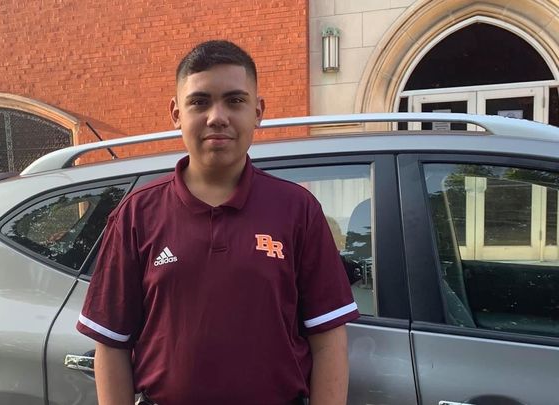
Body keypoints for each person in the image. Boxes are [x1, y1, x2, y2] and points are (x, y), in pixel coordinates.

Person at [77, 40, 359, 405]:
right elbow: (112, 345)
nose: (217, 117)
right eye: (199, 102)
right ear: (176, 113)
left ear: (258, 111)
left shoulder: (298, 210)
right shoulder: (136, 214)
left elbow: (329, 342)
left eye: (235, 100)